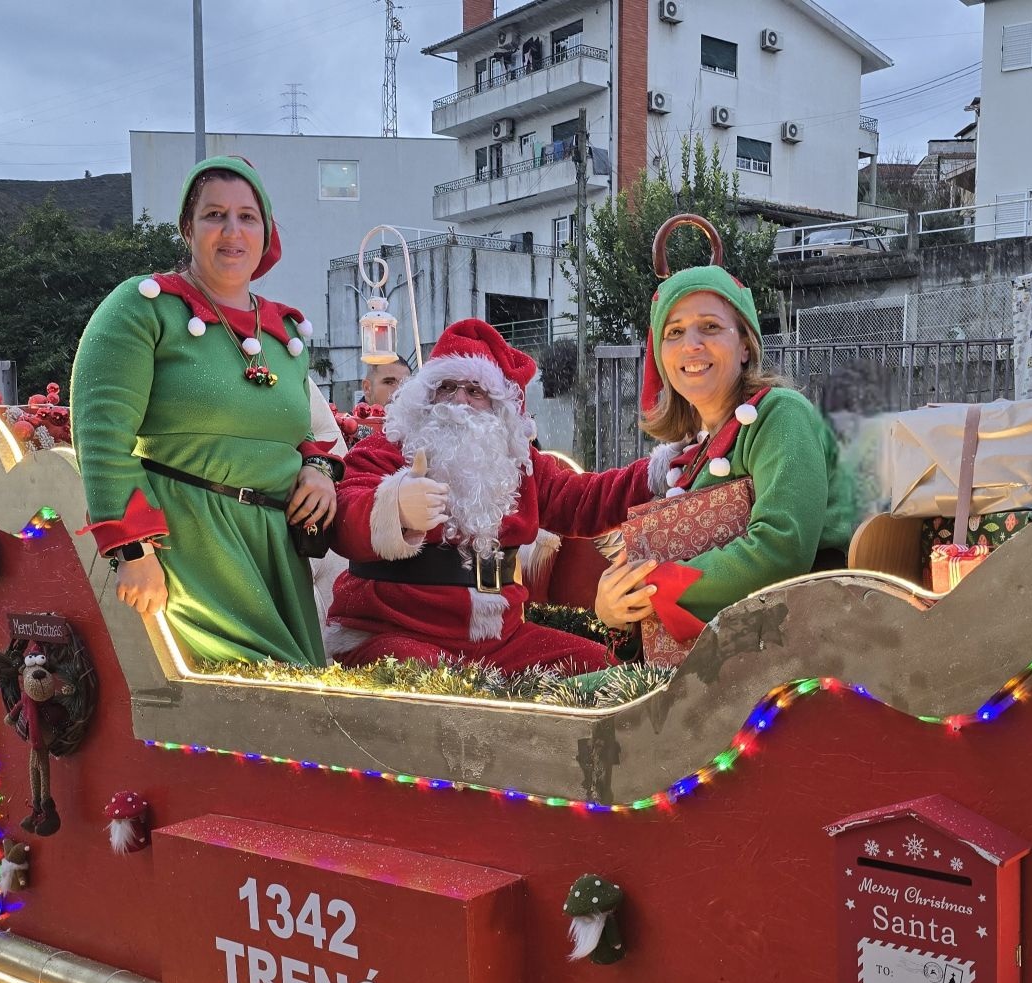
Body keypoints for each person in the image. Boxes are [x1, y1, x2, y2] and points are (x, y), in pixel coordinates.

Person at [71, 155, 345, 665]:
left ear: (265, 231)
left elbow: (304, 434)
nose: (232, 231)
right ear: (187, 228)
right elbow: (101, 433)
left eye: (247, 216)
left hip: (276, 551)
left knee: (299, 711)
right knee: (246, 710)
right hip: (188, 545)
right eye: (214, 215)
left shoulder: (286, 334)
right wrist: (134, 550)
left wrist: (320, 471)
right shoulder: (142, 305)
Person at [327, 320, 675, 674]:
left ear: (498, 407)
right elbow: (343, 512)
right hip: (393, 632)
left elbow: (586, 500)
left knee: (605, 672)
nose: (459, 399)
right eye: (446, 386)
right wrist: (395, 506)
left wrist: (660, 471)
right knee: (435, 691)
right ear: (425, 395)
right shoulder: (388, 447)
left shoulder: (518, 465)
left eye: (475, 391)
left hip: (500, 643)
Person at [593, 265, 854, 640]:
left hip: (798, 646)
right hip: (723, 653)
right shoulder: (692, 456)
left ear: (745, 345)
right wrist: (616, 606)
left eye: (710, 327)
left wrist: (660, 585)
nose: (691, 344)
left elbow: (782, 550)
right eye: (675, 332)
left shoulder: (780, 414)